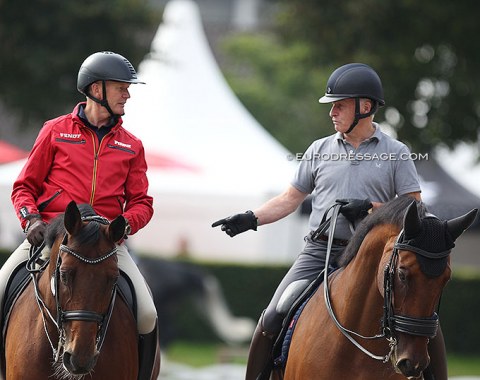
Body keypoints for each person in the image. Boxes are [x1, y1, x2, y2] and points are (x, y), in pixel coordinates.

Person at [212, 63, 447, 380]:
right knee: (272, 318)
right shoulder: (318, 149)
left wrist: (370, 208)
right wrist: (250, 218)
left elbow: (415, 210)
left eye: (339, 105)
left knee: (428, 324)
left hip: (373, 257)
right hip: (319, 252)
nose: (332, 112)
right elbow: (290, 199)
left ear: (364, 107)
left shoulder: (397, 153)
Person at [0, 51, 157, 379]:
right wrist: (31, 220)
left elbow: (142, 202)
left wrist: (125, 223)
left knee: (147, 314)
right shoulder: (55, 131)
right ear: (96, 89)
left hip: (106, 245)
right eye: (120, 87)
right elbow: (24, 186)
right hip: (53, 237)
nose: (127, 94)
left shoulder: (132, 146)